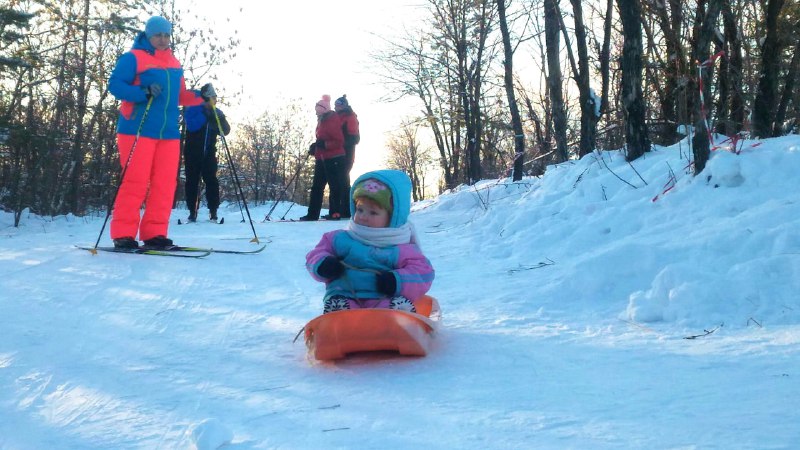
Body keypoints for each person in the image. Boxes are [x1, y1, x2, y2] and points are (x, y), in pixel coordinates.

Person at [107, 16, 206, 248]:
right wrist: (143, 91)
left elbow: (180, 96)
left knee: (165, 184)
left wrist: (202, 96)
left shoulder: (174, 63)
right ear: (148, 35)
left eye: (166, 35)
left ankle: (155, 234)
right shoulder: (133, 58)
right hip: (137, 129)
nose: (162, 39)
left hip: (168, 133)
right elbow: (115, 85)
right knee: (135, 181)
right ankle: (123, 234)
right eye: (158, 35)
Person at [306, 169, 435, 314]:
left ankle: (396, 317)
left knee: (386, 309)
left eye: (373, 212)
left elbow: (423, 273)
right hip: (345, 294)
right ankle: (340, 317)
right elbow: (315, 255)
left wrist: (396, 281)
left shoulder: (399, 248)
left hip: (382, 297)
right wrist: (323, 264)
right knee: (344, 307)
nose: (363, 216)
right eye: (360, 210)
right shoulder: (341, 239)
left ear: (392, 217)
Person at [183, 84, 231, 222]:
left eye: (215, 98)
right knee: (192, 180)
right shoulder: (194, 109)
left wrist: (219, 118)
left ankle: (213, 210)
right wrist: (205, 115)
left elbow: (225, 131)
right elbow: (192, 126)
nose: (215, 101)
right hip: (192, 152)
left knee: (211, 180)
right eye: (213, 98)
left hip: (209, 152)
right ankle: (192, 211)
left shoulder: (217, 112)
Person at [298, 95, 348, 221]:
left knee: (334, 185)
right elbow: (322, 138)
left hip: (335, 158)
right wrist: (315, 147)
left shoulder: (332, 119)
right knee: (317, 187)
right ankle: (312, 214)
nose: (315, 112)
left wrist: (323, 145)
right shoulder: (322, 119)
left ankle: (335, 213)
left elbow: (338, 141)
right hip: (322, 158)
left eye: (317, 109)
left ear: (323, 109)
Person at [334, 95, 360, 219]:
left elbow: (355, 137)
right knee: (336, 181)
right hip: (335, 153)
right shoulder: (335, 117)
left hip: (346, 153)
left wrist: (340, 142)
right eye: (335, 105)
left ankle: (346, 209)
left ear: (344, 105)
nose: (336, 107)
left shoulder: (350, 116)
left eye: (338, 105)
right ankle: (337, 209)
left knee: (343, 181)